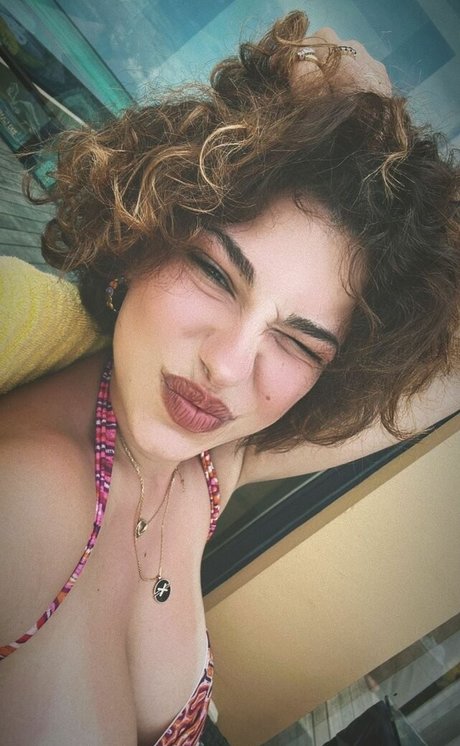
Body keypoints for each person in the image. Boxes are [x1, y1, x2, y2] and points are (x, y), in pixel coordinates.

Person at [0, 11, 459, 746]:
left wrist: (402, 168)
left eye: (299, 343)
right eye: (215, 273)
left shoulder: (211, 468)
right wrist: (348, 93)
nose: (228, 364)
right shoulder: (26, 497)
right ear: (143, 234)